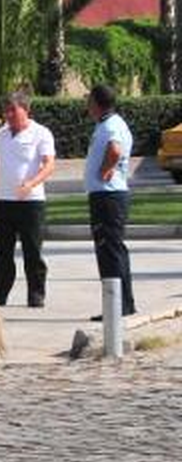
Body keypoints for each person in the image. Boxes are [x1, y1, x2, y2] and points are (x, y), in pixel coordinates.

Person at [0, 90, 56, 308]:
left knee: (32, 250)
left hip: (31, 202)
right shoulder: (1, 134)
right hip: (3, 201)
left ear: (26, 109)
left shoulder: (41, 133)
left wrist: (32, 183)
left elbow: (49, 165)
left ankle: (36, 294)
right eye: (6, 110)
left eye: (13, 110)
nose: (8, 114)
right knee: (0, 252)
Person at [84, 84, 136, 318]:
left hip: (108, 197)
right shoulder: (107, 124)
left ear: (97, 102)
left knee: (109, 251)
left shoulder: (111, 125)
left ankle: (117, 307)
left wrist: (105, 170)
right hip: (107, 196)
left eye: (89, 101)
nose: (87, 105)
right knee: (114, 250)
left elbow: (115, 150)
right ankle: (123, 304)